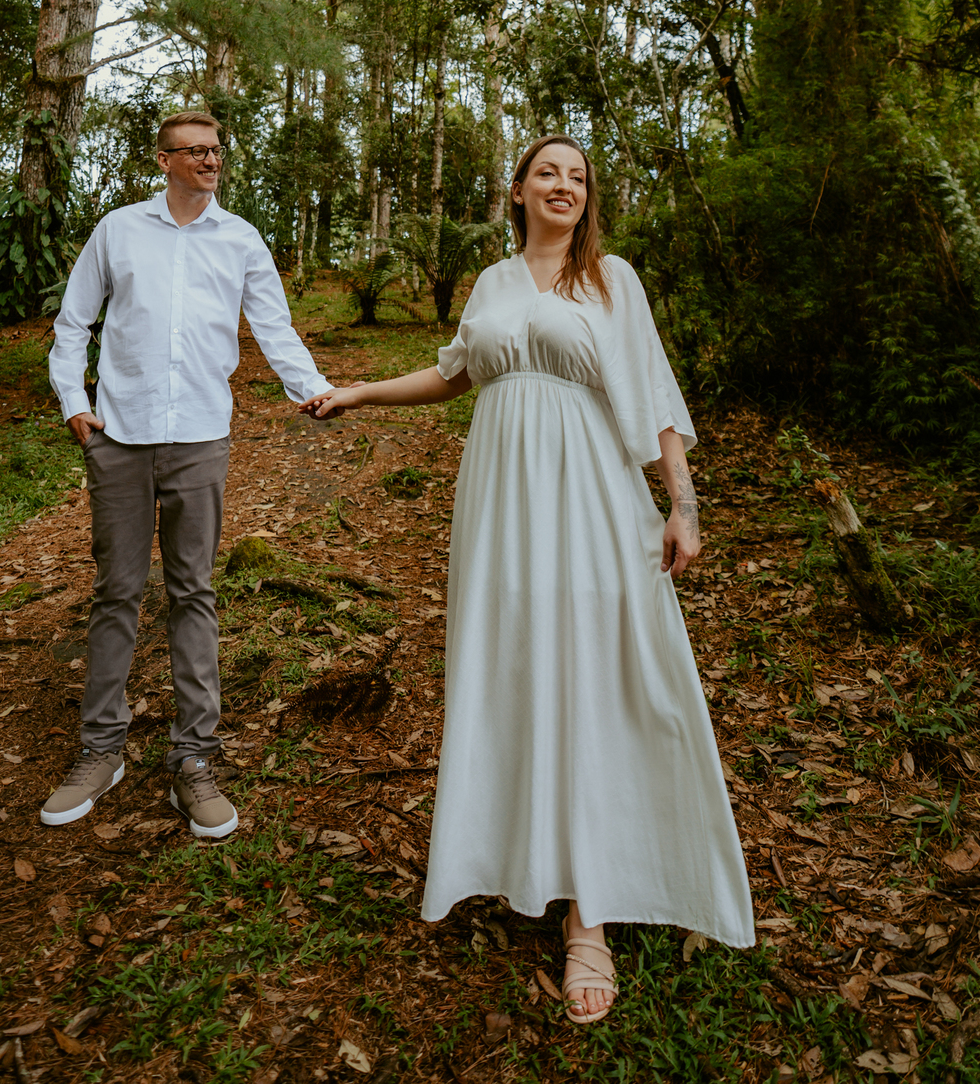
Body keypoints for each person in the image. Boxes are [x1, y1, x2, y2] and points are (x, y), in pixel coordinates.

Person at [301, 135, 754, 1024]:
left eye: (578, 177)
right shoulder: (494, 283)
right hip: (501, 506)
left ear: (588, 199)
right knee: (515, 674)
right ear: (516, 190)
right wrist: (358, 392)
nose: (564, 185)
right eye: (548, 171)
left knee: (601, 679)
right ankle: (517, 857)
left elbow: (656, 397)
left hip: (590, 497)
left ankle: (592, 912)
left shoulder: (613, 279)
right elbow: (451, 373)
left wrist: (685, 507)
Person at [43, 111, 334, 835]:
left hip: (202, 436)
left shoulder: (240, 239)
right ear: (164, 160)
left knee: (193, 591)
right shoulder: (118, 230)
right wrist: (74, 402)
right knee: (117, 590)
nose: (210, 161)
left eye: (216, 151)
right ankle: (101, 749)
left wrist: (315, 389)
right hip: (119, 436)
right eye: (195, 152)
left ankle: (193, 759)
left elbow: (274, 326)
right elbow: (73, 322)